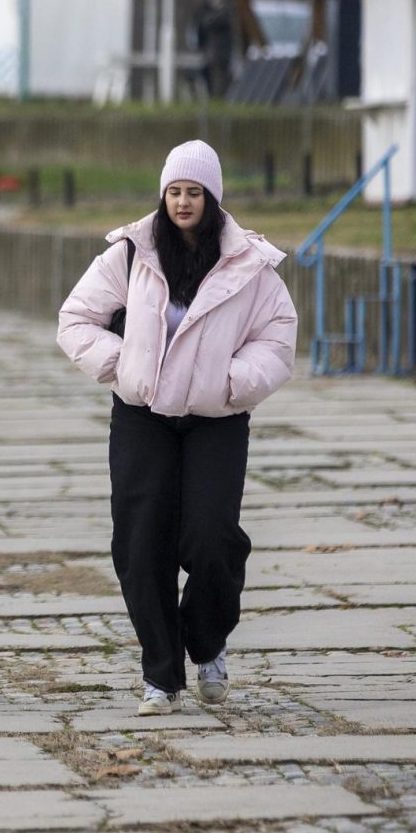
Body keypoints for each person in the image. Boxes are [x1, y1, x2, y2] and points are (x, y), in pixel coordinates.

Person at [56, 141, 297, 716]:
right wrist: (126, 369)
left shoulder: (252, 266)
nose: (183, 202)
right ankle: (161, 675)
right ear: (162, 196)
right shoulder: (130, 254)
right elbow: (75, 319)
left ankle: (207, 642)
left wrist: (229, 383)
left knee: (211, 539)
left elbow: (279, 338)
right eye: (174, 192)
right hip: (143, 418)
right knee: (141, 544)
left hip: (217, 420)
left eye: (194, 192)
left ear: (212, 199)